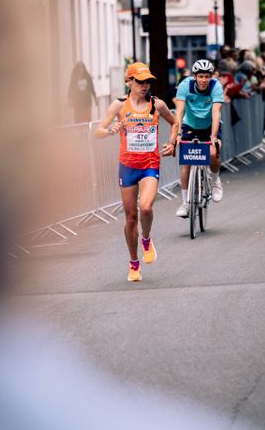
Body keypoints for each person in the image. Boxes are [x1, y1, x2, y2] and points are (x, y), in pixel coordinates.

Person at [94, 62, 178, 282]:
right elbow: (98, 131)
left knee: (146, 207)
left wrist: (172, 142)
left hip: (150, 164)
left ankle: (147, 240)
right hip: (128, 166)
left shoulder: (157, 105)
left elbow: (175, 122)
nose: (145, 85)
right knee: (131, 218)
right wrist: (109, 130)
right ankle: (133, 264)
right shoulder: (119, 106)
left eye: (148, 81)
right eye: (140, 81)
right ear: (129, 81)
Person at [174, 59, 224, 218]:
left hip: (210, 126)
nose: (204, 80)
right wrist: (178, 134)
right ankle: (185, 203)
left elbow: (216, 113)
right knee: (186, 163)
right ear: (194, 76)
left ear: (211, 77)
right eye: (201, 76)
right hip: (190, 125)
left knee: (212, 153)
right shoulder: (184, 86)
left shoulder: (216, 86)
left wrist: (214, 136)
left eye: (207, 76)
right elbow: (180, 111)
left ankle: (215, 181)